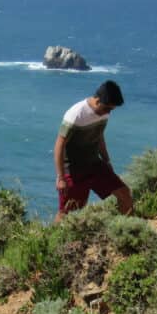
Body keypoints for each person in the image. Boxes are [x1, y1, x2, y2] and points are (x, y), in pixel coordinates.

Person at [54, 80, 133, 220]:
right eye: (107, 108)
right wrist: (61, 178)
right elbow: (59, 146)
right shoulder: (76, 114)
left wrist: (107, 160)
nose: (108, 112)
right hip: (73, 170)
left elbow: (99, 135)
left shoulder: (104, 112)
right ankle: (49, 241)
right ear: (97, 100)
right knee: (67, 212)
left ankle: (125, 232)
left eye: (111, 109)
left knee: (124, 194)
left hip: (94, 164)